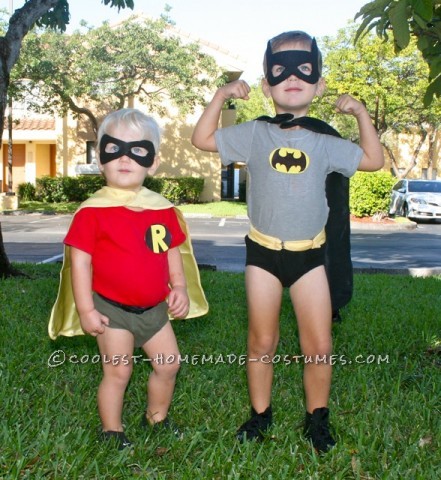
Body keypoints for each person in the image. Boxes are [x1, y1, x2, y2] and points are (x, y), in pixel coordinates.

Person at [191, 31, 384, 453]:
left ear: (319, 84)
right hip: (262, 254)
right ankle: (260, 414)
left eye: (304, 69)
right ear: (266, 84)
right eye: (280, 70)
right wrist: (221, 96)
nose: (292, 77)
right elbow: (202, 140)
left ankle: (317, 418)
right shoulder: (255, 134)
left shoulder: (325, 141)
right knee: (262, 340)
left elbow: (373, 160)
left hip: (310, 257)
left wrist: (361, 115)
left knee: (319, 345)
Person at [49, 108, 208, 450]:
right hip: (112, 311)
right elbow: (80, 264)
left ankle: (157, 418)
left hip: (154, 310)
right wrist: (87, 310)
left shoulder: (161, 209)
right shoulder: (93, 212)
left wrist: (178, 286)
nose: (124, 158)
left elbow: (171, 252)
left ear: (152, 162)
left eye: (137, 150)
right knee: (118, 372)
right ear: (101, 159)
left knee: (169, 365)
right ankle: (111, 430)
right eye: (114, 149)